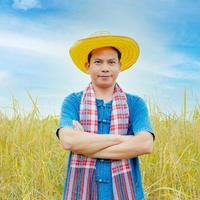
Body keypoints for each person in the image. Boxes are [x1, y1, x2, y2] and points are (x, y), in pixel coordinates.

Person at [56, 31, 155, 200]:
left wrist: (86, 144)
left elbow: (146, 144)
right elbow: (68, 141)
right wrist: (125, 139)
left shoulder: (135, 103)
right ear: (88, 66)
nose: (105, 68)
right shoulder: (73, 101)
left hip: (127, 194)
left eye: (111, 62)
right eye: (98, 62)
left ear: (119, 65)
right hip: (81, 194)